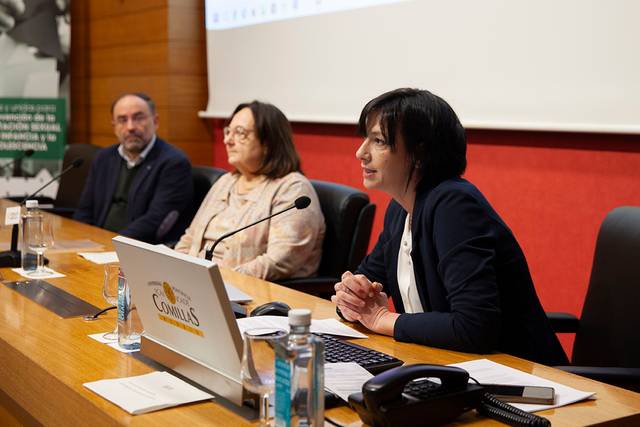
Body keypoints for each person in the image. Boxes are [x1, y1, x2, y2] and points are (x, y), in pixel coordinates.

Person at [331, 88, 568, 366]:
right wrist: (349, 297)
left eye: (379, 141)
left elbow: (475, 327)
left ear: (420, 153)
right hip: (447, 365)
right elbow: (365, 287)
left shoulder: (453, 204)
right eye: (365, 139)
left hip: (521, 378)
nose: (361, 152)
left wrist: (383, 320)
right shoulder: (400, 209)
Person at [174, 101, 325, 281]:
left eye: (240, 133)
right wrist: (176, 270)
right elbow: (189, 238)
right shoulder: (226, 181)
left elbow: (279, 261)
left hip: (248, 292)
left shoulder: (292, 189)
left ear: (268, 142)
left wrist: (219, 279)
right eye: (227, 131)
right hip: (199, 282)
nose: (227, 140)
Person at [74, 93, 193, 244]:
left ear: (155, 121)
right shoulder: (104, 158)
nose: (130, 127)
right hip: (96, 245)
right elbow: (85, 210)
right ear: (114, 127)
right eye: (122, 120)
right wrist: (79, 240)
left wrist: (111, 243)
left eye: (138, 118)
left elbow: (155, 221)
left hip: (135, 249)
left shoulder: (173, 163)